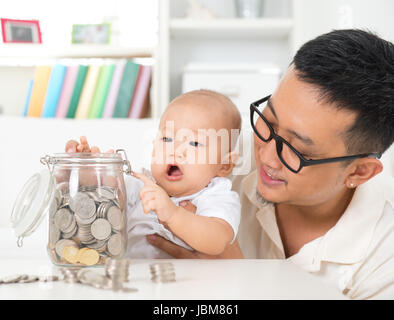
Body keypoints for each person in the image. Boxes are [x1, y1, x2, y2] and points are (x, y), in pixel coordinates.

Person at [146, 29, 394, 299]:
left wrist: (241, 279)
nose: (265, 157)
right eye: (268, 122)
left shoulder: (384, 260)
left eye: (296, 149)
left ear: (359, 171)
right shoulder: (221, 155)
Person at [65, 89, 244, 258]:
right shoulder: (142, 184)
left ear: (224, 165)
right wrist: (88, 168)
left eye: (194, 143)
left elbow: (218, 241)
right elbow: (105, 197)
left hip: (188, 286)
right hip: (134, 280)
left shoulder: (215, 194)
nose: (176, 151)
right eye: (167, 139)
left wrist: (174, 215)